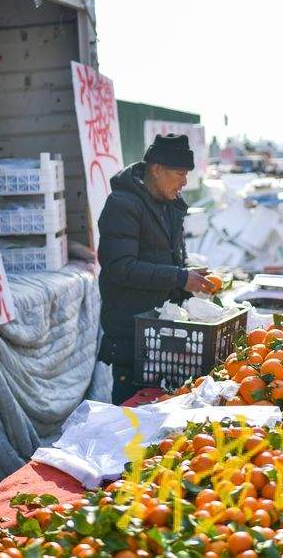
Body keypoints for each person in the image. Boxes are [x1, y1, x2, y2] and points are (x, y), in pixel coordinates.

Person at [97, 134, 215, 404]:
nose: (185, 182)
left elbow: (170, 258)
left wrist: (188, 272)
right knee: (131, 418)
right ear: (157, 169)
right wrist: (179, 277)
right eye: (180, 173)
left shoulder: (170, 205)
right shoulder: (122, 204)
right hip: (132, 336)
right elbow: (120, 267)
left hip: (161, 335)